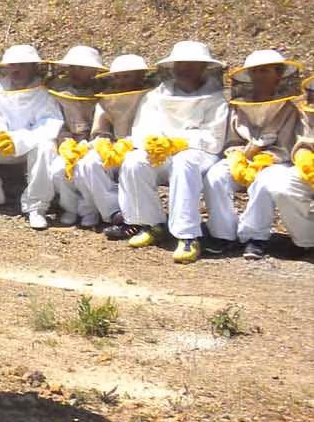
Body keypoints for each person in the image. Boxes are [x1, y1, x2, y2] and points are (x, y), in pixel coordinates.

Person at [116, 41, 229, 263]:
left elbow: (214, 139)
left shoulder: (215, 100)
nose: (184, 68)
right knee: (134, 160)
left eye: (191, 64)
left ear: (203, 68)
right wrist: (155, 143)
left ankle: (187, 235)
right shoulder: (156, 96)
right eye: (181, 63)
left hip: (200, 154)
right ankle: (151, 224)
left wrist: (180, 143)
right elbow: (142, 129)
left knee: (184, 162)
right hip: (163, 154)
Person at [204, 50, 301, 257]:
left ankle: (255, 237)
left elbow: (287, 146)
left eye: (265, 71)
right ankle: (223, 234)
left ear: (278, 74)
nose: (259, 76)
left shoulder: (289, 108)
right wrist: (239, 155)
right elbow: (231, 140)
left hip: (276, 161)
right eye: (255, 71)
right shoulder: (238, 106)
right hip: (241, 157)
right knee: (215, 176)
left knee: (264, 180)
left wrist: (263, 158)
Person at [0, 45, 63, 230]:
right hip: (3, 145)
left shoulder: (42, 92)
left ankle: (36, 207)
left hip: (31, 145)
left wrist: (19, 141)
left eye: (22, 65)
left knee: (46, 146)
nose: (16, 70)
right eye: (12, 65)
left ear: (33, 67)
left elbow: (49, 123)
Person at [75, 55, 155, 240]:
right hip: (117, 147)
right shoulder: (107, 98)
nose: (122, 81)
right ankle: (116, 214)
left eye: (127, 76)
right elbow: (101, 128)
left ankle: (137, 220)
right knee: (89, 163)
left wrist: (133, 143)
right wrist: (103, 142)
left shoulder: (153, 96)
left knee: (134, 164)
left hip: (145, 147)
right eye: (119, 76)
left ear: (140, 75)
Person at [243, 76, 314, 259]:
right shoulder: (308, 114)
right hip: (307, 168)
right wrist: (304, 155)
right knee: (281, 186)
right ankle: (307, 241)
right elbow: (304, 141)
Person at [44, 46, 108, 228]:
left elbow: (107, 122)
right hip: (68, 142)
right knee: (58, 169)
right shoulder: (58, 92)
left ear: (93, 71)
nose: (75, 71)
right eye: (73, 67)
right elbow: (55, 119)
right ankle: (70, 208)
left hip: (96, 143)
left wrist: (96, 142)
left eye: (82, 68)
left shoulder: (104, 93)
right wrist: (65, 141)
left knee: (87, 168)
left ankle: (90, 210)